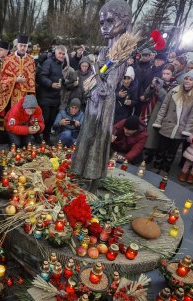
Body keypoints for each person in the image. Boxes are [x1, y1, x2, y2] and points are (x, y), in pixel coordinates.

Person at [72, 0, 132, 181]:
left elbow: (107, 88)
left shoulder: (120, 53)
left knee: (95, 138)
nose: (105, 27)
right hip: (94, 102)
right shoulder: (106, 50)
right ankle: (80, 171)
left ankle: (91, 176)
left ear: (124, 21)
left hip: (103, 105)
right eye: (102, 23)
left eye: (110, 21)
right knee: (87, 135)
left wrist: (95, 70)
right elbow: (92, 85)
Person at [152, 67, 193, 174]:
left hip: (180, 128)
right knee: (161, 149)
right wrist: (158, 121)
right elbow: (164, 107)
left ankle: (165, 169)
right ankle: (156, 166)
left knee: (172, 151)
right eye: (186, 78)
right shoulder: (174, 90)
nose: (187, 81)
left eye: (191, 79)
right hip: (167, 125)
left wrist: (187, 129)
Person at [141, 63, 178, 164]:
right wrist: (152, 86)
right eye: (164, 73)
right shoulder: (158, 81)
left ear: (172, 74)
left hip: (161, 111)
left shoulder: (175, 85)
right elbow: (146, 93)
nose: (165, 76)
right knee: (144, 129)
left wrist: (160, 88)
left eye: (168, 74)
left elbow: (167, 99)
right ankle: (141, 151)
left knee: (153, 134)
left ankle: (148, 156)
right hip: (150, 108)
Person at [0, 34, 36, 116]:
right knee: (11, 118)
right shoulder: (8, 59)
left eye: (25, 46)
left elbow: (32, 77)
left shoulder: (31, 60)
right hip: (10, 94)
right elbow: (3, 77)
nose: (23, 48)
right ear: (17, 45)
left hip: (25, 95)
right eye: (21, 45)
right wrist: (15, 80)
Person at [37, 45, 66, 144]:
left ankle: (46, 137)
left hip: (55, 97)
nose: (61, 55)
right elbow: (41, 77)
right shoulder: (48, 62)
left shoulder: (61, 64)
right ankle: (37, 135)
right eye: (60, 53)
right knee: (45, 118)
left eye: (63, 54)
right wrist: (51, 84)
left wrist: (67, 82)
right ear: (55, 53)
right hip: (45, 96)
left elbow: (60, 78)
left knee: (51, 119)